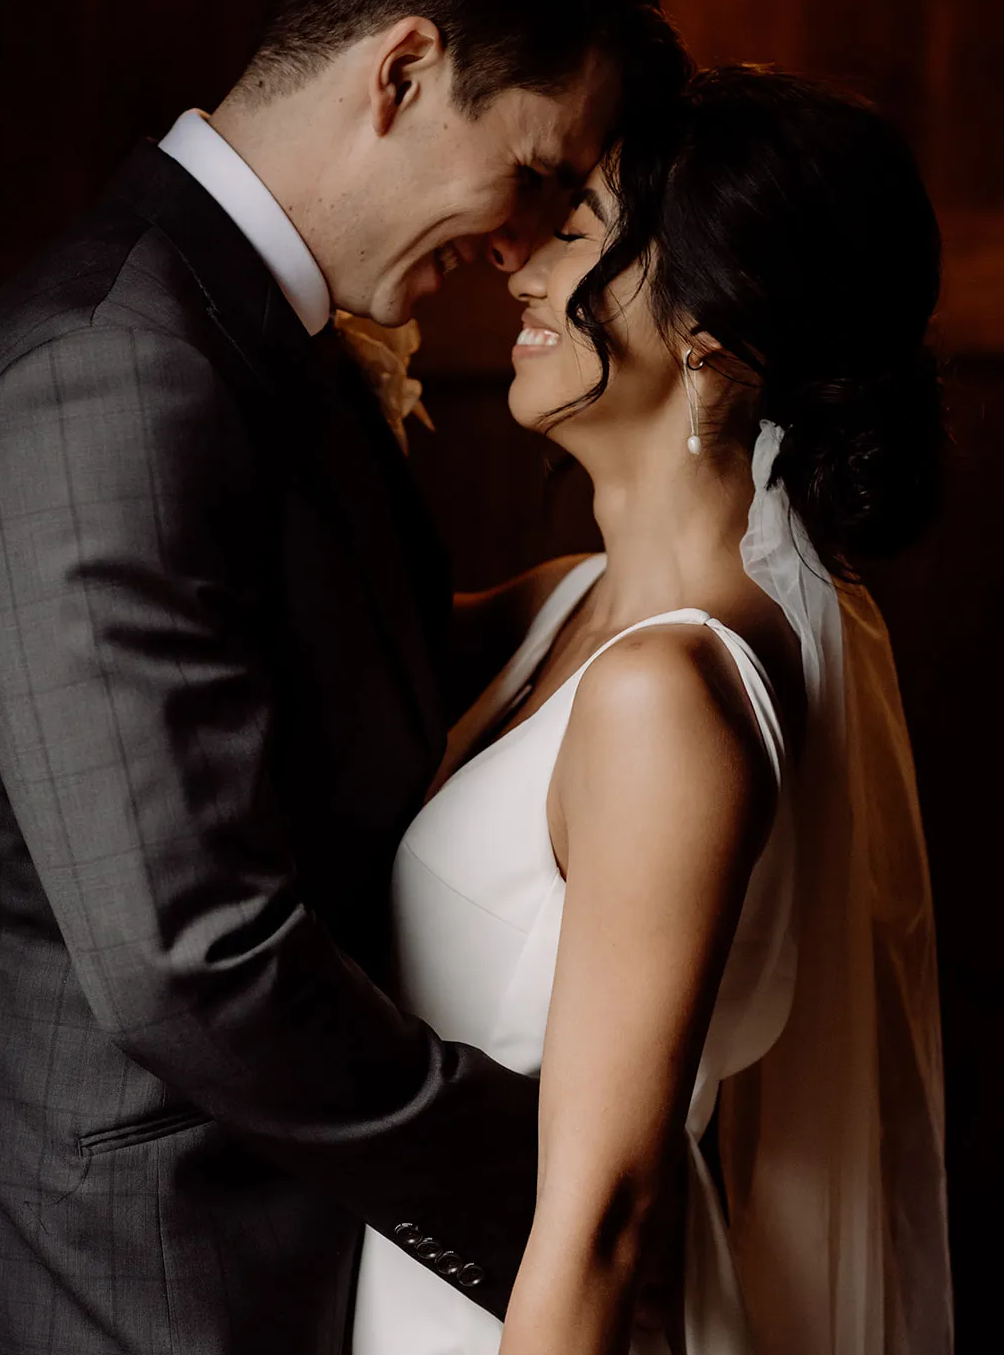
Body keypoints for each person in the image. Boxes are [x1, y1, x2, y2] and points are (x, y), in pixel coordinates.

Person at [0, 0, 688, 1355]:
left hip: (282, 1236)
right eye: (534, 171)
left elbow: (315, 682)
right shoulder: (110, 370)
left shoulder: (251, 329)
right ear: (402, 73)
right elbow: (188, 958)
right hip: (142, 1280)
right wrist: (566, 1192)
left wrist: (592, 607)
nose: (530, 243)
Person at [352, 66, 952, 1354]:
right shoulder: (567, 612)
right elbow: (310, 653)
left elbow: (608, 1213)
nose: (519, 268)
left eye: (576, 235)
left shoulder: (665, 701)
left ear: (706, 337)